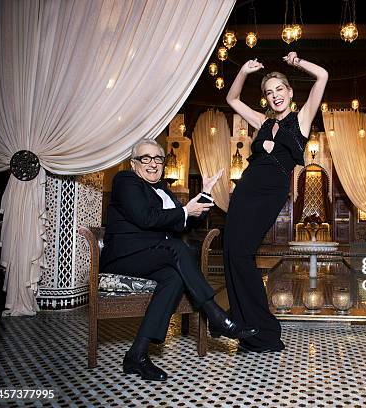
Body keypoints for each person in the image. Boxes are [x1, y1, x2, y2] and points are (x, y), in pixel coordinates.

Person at [100, 139, 257, 381]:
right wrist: (184, 211)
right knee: (176, 247)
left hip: (151, 256)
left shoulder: (163, 189)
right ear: (134, 163)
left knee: (173, 277)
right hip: (124, 256)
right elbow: (145, 218)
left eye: (158, 159)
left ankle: (137, 355)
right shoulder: (126, 181)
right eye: (146, 158)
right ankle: (215, 317)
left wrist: (204, 195)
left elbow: (181, 221)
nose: (153, 163)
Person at [225, 52, 328, 352]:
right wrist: (243, 71)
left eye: (279, 90)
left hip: (271, 192)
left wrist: (298, 63)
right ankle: (245, 323)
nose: (275, 96)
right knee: (233, 252)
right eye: (269, 93)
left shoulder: (302, 120)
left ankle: (263, 328)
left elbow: (322, 76)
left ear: (290, 92)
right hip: (245, 188)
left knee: (243, 254)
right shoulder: (261, 121)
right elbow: (232, 99)